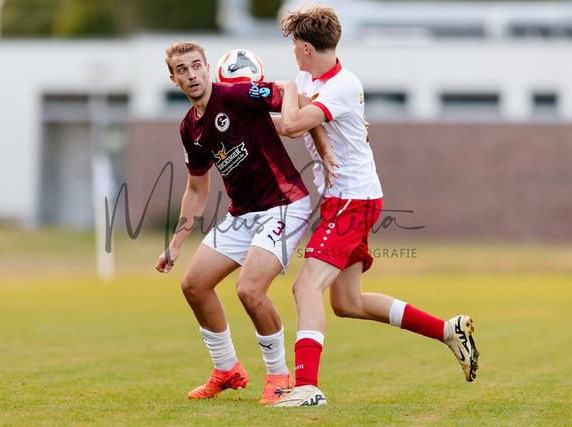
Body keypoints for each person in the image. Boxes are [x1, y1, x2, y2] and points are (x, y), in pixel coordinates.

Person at [269, 5, 480, 407]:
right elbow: (287, 121)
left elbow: (292, 124)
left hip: (353, 200)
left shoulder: (342, 86)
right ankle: (447, 330)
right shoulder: (309, 78)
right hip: (345, 198)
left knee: (305, 286)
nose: (292, 52)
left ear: (307, 48)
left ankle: (308, 387)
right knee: (347, 302)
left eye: (295, 45)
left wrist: (285, 94)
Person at [157, 41, 334, 404]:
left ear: (208, 68)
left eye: (196, 66)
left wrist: (323, 149)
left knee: (249, 290)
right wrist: (175, 245)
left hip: (285, 205)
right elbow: (197, 189)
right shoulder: (189, 128)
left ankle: (279, 376)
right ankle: (226, 370)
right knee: (194, 285)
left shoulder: (237, 95)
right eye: (182, 70)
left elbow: (296, 96)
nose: (191, 75)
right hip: (242, 213)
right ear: (174, 79)